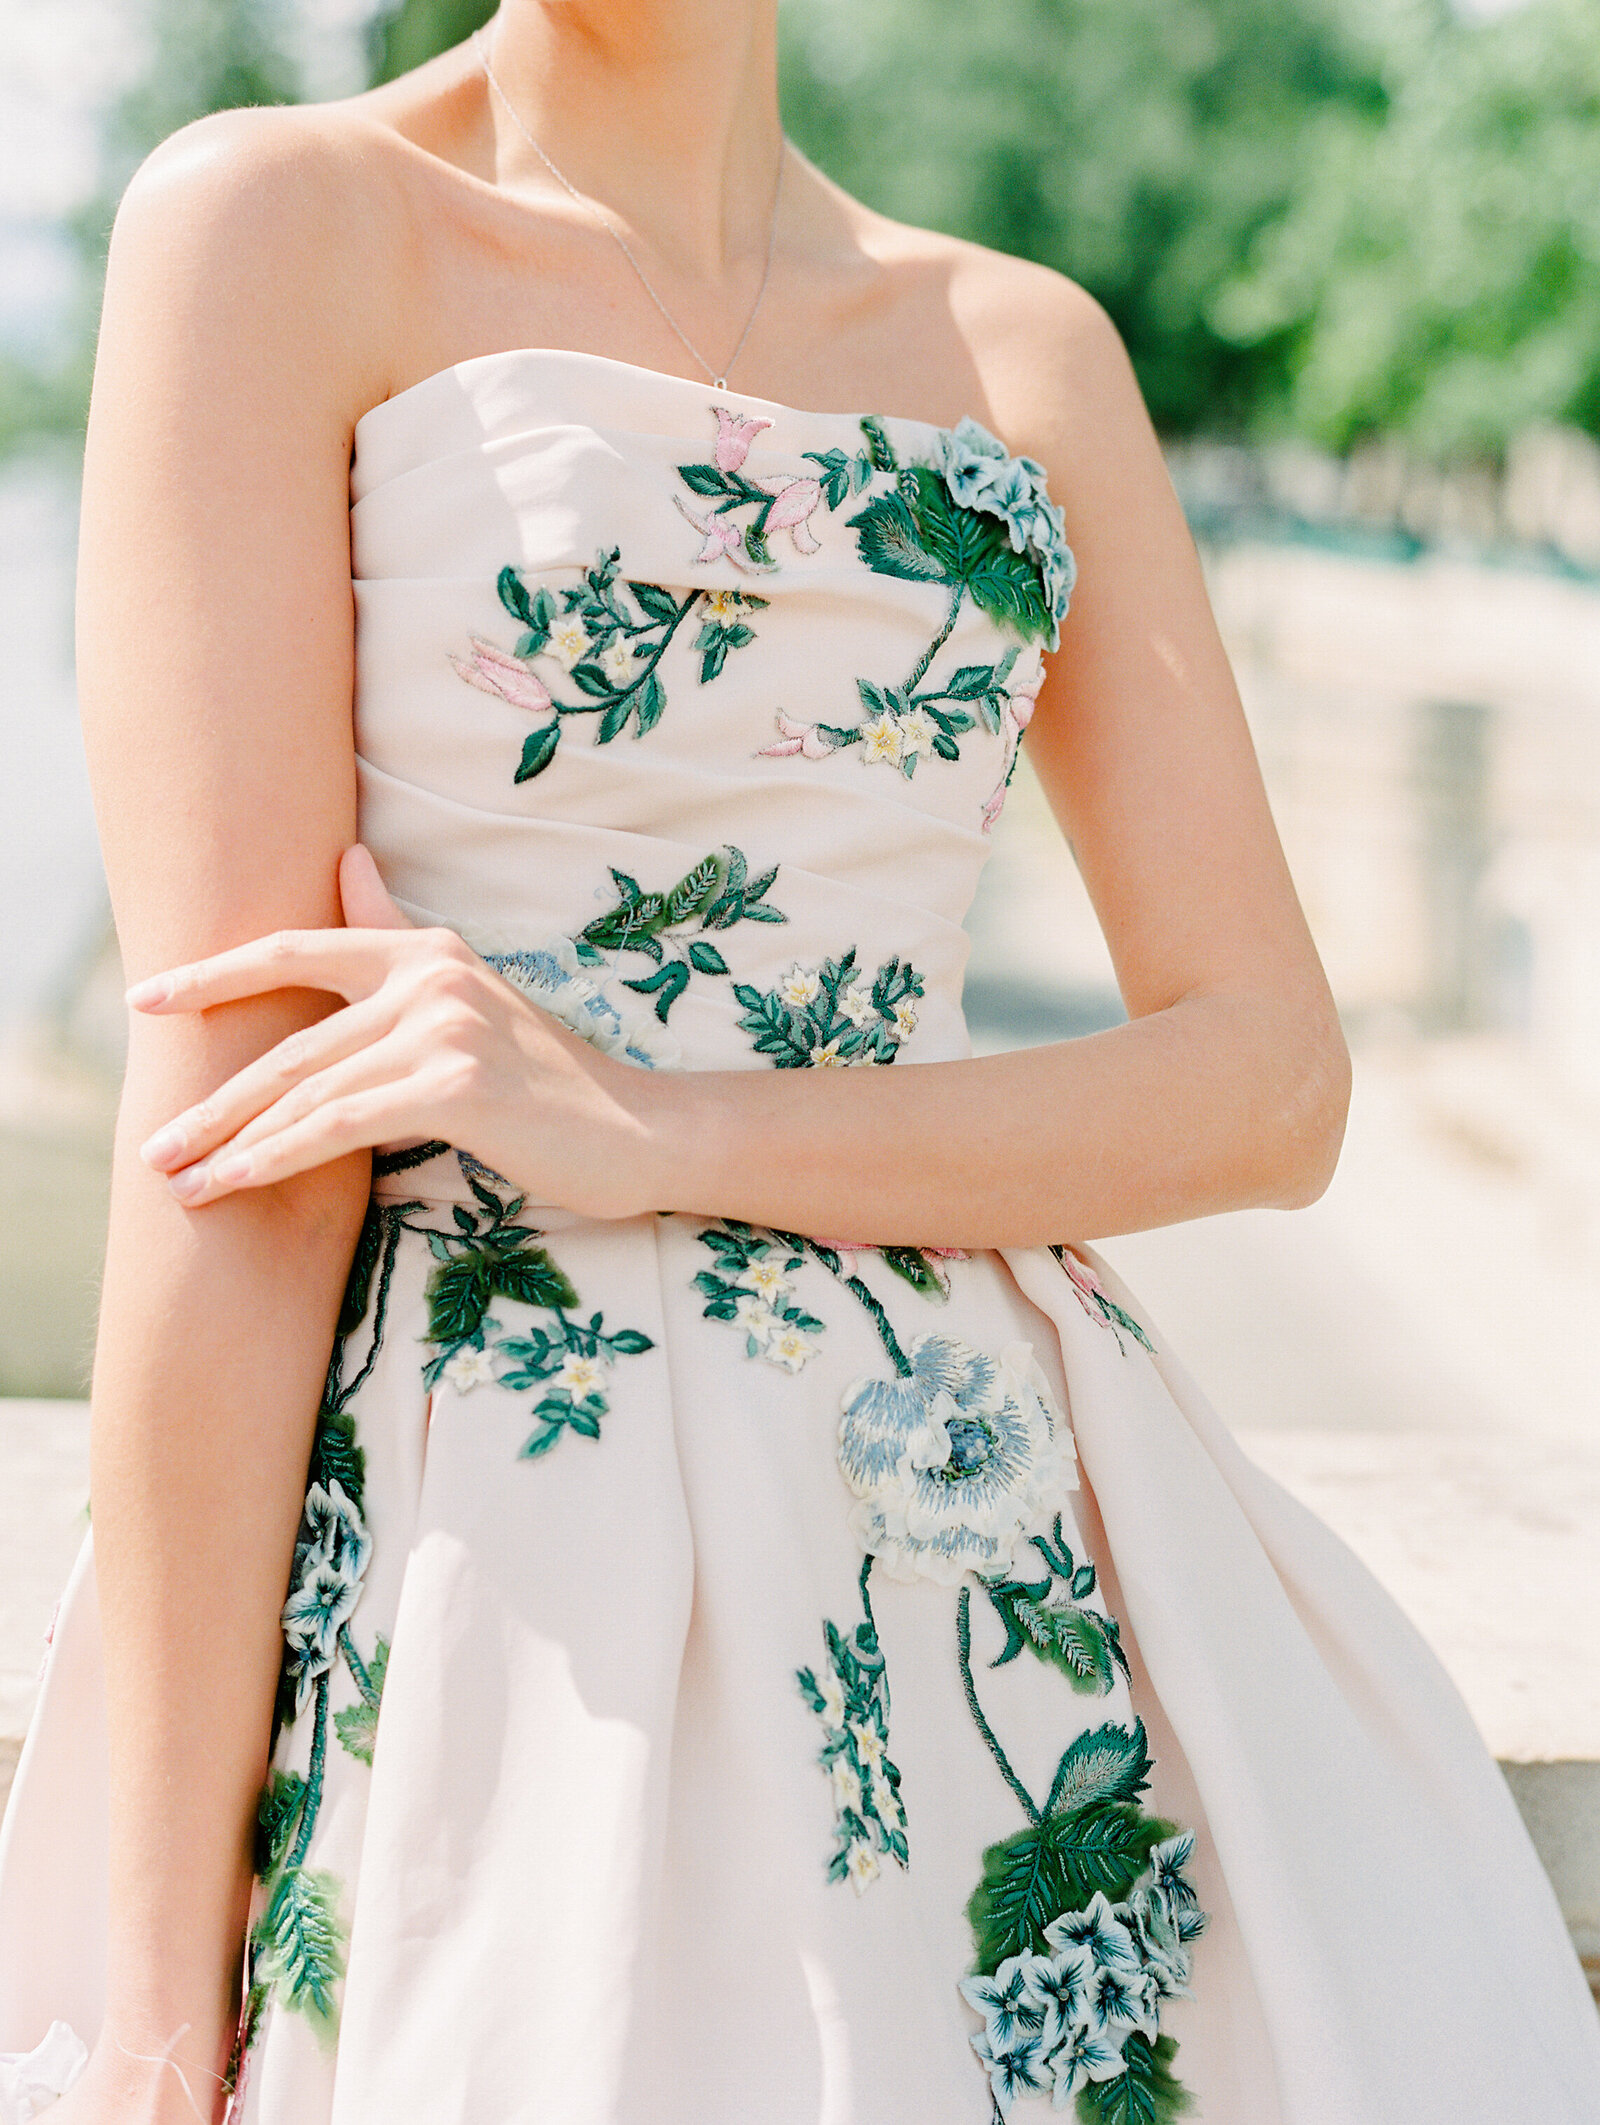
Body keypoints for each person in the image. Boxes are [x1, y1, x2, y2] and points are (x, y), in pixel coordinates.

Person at [1, 3, 1597, 2120]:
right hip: (491, 1560)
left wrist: (651, 1122)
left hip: (991, 1539)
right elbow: (229, 1144)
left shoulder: (1020, 349)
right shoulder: (281, 227)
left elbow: (1267, 1080)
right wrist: (145, 1981)